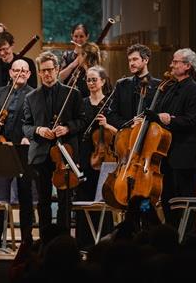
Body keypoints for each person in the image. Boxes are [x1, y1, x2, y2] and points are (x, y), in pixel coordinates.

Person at [23, 51, 86, 231]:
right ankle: (44, 239)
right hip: (41, 154)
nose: (47, 74)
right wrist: (39, 130)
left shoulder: (72, 94)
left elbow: (82, 121)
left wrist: (66, 128)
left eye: (50, 69)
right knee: (43, 201)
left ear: (57, 69)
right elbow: (26, 126)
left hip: (65, 153)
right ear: (40, 72)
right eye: (43, 71)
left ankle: (63, 238)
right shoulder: (31, 97)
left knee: (65, 200)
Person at [155, 48, 196, 229]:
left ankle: (186, 246)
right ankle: (169, 243)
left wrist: (171, 119)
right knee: (168, 202)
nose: (171, 65)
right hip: (165, 155)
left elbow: (191, 120)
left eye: (175, 62)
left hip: (185, 157)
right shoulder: (169, 88)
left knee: (185, 207)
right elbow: (158, 114)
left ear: (187, 66)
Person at [0, 58, 35, 245]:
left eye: (24, 71)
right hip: (2, 146)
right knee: (0, 195)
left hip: (23, 148)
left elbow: (36, 120)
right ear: (10, 73)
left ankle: (26, 240)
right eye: (16, 70)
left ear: (29, 74)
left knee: (25, 195)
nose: (20, 74)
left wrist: (29, 138)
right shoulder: (0, 92)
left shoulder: (34, 94)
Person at [75, 65, 117, 248]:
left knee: (103, 200)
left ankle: (104, 244)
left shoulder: (110, 105)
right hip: (85, 157)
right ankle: (84, 243)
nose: (91, 83)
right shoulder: (81, 104)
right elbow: (76, 130)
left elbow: (120, 133)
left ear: (103, 81)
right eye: (88, 80)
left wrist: (107, 125)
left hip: (105, 159)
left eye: (94, 79)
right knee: (83, 199)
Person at [108, 44, 161, 130]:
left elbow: (161, 115)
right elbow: (111, 114)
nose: (131, 63)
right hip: (126, 136)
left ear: (146, 60)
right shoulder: (121, 84)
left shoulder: (158, 86)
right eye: (129, 60)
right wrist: (129, 124)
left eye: (135, 59)